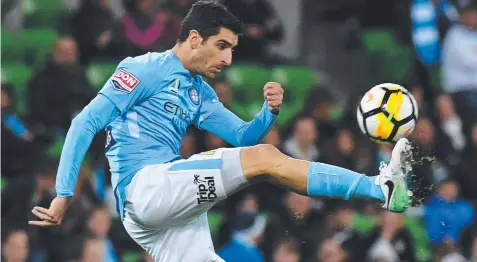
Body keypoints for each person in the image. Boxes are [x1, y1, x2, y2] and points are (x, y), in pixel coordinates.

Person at [29, 1, 418, 261]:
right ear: (194, 38)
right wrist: (64, 193)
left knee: (261, 156)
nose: (229, 59)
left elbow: (245, 139)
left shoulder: (199, 92)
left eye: (232, 49)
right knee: (266, 160)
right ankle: (379, 189)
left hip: (164, 214)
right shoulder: (144, 68)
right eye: (222, 46)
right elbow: (84, 123)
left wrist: (268, 113)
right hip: (145, 187)